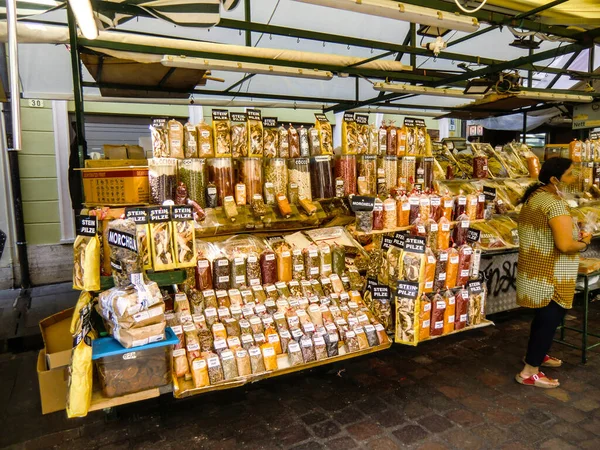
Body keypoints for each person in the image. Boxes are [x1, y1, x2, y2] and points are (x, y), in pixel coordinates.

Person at [515, 157, 591, 389]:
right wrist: (585, 243)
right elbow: (565, 245)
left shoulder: (534, 197)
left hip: (535, 269)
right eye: (569, 174)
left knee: (543, 318)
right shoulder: (554, 204)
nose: (573, 178)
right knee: (550, 319)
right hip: (552, 274)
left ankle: (538, 354)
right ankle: (530, 371)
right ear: (554, 179)